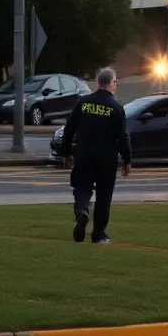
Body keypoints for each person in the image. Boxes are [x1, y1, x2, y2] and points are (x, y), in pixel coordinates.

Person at [60, 67, 132, 244]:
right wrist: (127, 160)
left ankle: (82, 212)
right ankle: (98, 234)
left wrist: (65, 152)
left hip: (84, 154)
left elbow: (69, 128)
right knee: (104, 196)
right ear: (112, 84)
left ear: (99, 82)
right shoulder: (116, 108)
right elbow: (123, 136)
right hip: (106, 159)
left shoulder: (83, 102)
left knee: (82, 189)